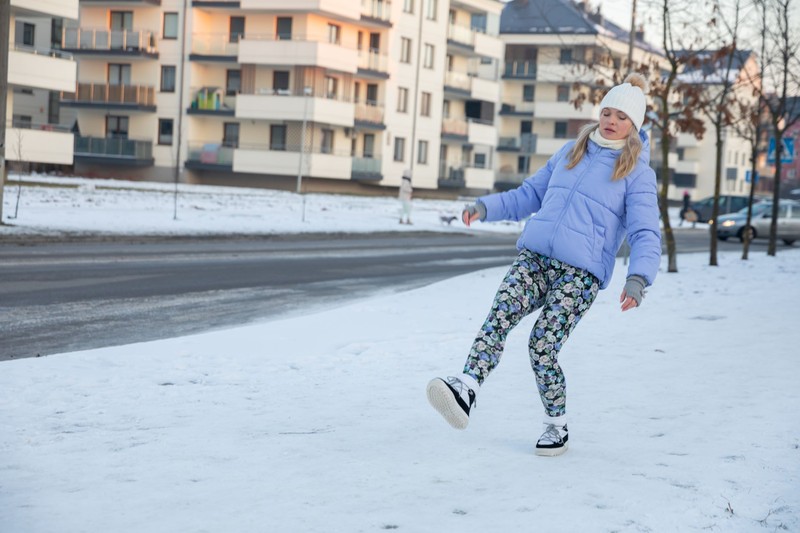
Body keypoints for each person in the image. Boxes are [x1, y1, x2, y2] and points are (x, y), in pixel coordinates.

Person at [426, 73, 662, 457]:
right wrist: (485, 207)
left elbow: (645, 231)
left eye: (621, 116)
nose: (611, 120)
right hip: (535, 258)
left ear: (634, 125)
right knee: (500, 313)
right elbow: (529, 195)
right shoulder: (571, 151)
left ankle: (556, 424)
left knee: (542, 346)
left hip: (580, 275)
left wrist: (638, 278)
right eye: (607, 112)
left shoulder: (637, 173)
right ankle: (467, 387)